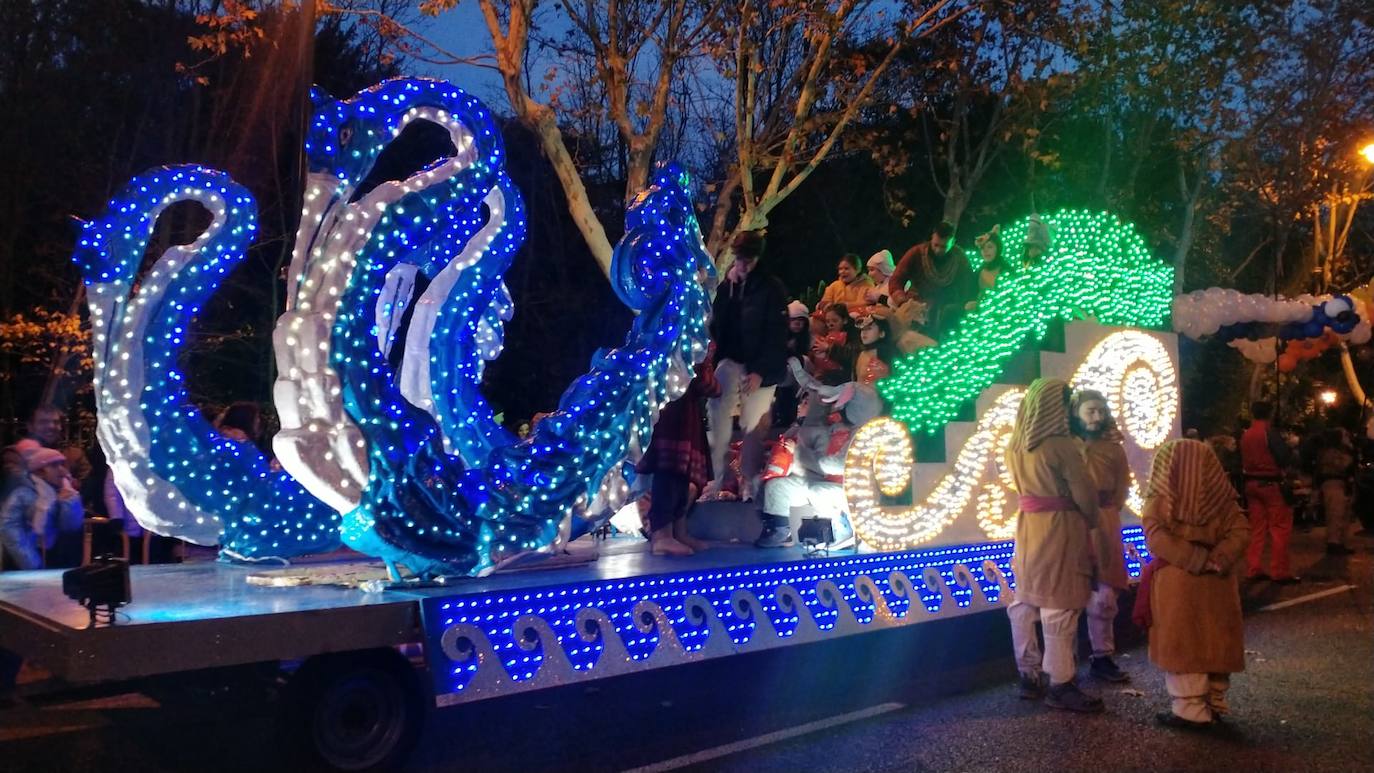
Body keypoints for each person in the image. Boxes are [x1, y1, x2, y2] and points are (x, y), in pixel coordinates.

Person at [1004, 378, 1103, 712]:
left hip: (1028, 527)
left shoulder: (1015, 444)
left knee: (1025, 601)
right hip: (1059, 529)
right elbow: (1085, 495)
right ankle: (1061, 683)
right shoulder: (1061, 445)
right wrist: (1091, 520)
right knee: (1059, 607)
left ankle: (1028, 674)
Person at [1139, 439, 1249, 729]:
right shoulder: (1223, 498)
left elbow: (1155, 536)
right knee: (1214, 640)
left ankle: (1190, 709)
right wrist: (1218, 559)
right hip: (1217, 582)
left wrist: (1193, 559)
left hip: (1177, 581)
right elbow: (1240, 531)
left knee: (1184, 645)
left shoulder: (1159, 497)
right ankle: (1214, 702)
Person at [756, 361, 881, 548]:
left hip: (854, 490)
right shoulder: (831, 428)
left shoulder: (866, 434)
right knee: (779, 486)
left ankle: (842, 528)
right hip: (824, 479)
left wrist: (800, 454)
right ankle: (779, 531)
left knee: (818, 492)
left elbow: (839, 465)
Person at [706, 230, 789, 501]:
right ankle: (720, 478)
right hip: (732, 359)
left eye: (747, 259)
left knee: (752, 423)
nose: (742, 264)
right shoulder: (727, 287)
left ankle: (750, 483)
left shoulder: (771, 288)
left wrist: (760, 371)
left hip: (760, 364)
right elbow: (718, 325)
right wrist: (729, 291)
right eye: (739, 258)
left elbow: (777, 334)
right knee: (717, 409)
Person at [1070, 389, 1131, 683]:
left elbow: (1121, 489)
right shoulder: (1065, 445)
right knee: (1067, 593)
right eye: (1090, 411)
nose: (1096, 416)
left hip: (1103, 522)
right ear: (1076, 413)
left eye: (1100, 411)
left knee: (1104, 594)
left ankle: (1102, 655)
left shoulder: (1114, 449)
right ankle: (1061, 664)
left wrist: (1104, 513)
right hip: (1070, 522)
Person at [637, 349, 721, 556]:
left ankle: (678, 531)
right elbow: (705, 384)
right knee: (669, 476)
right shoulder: (678, 344)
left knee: (682, 479)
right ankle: (661, 535)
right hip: (671, 417)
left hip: (684, 416)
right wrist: (706, 363)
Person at [1240, 400, 1298, 583]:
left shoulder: (1247, 434)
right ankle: (1279, 570)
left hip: (1251, 483)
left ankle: (1253, 567)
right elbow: (1283, 458)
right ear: (1270, 413)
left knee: (1257, 528)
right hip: (1271, 483)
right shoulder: (1269, 433)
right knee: (1280, 527)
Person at [888, 220, 976, 340]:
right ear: (932, 239)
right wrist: (904, 303)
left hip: (947, 311)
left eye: (944, 246)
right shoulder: (916, 253)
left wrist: (965, 304)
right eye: (936, 245)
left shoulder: (960, 257)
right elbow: (896, 280)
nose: (938, 250)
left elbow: (969, 285)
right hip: (916, 307)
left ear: (953, 242)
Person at [1, 447, 84, 570]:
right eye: (54, 466)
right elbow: (9, 528)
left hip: (56, 559)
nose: (62, 471)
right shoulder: (22, 494)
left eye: (62, 464)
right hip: (25, 562)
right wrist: (31, 562)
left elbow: (70, 526)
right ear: (40, 472)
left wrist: (70, 501)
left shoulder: (62, 493)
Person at [3, 404, 91, 504]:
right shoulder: (15, 454)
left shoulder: (74, 454)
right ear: (30, 426)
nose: (51, 426)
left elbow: (87, 486)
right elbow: (20, 484)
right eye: (43, 422)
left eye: (56, 422)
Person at [1315, 428, 1356, 555]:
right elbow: (1343, 465)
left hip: (1341, 484)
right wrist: (1350, 452)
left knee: (1342, 514)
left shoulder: (1336, 451)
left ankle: (1339, 542)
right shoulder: (1330, 453)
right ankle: (1334, 543)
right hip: (1333, 483)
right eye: (1344, 436)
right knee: (1335, 513)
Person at [853, 311, 897, 386]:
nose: (864, 333)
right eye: (862, 329)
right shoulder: (860, 352)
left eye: (869, 328)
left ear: (882, 333)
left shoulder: (885, 352)